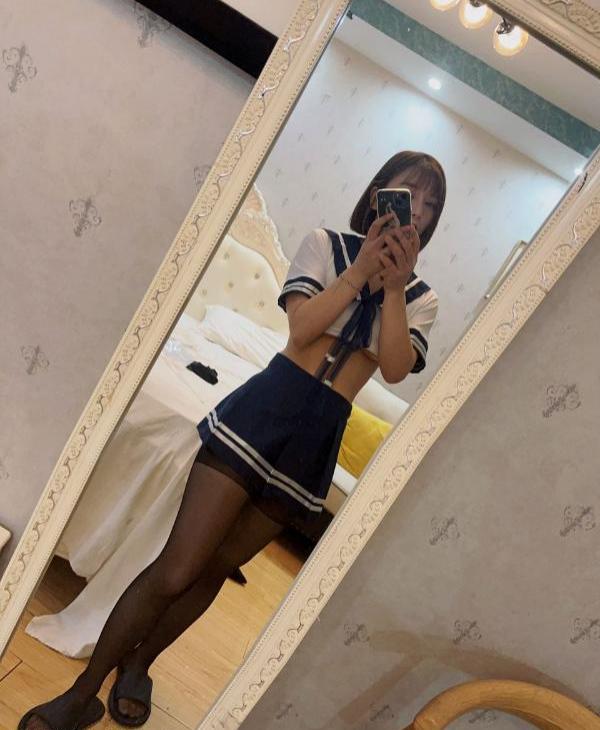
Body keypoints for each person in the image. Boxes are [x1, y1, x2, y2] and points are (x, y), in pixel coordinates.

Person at [19, 150, 446, 730]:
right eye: (408, 194)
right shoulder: (325, 245)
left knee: (217, 569)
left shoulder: (421, 299)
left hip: (316, 440)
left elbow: (394, 369)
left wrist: (393, 288)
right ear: (379, 194)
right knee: (178, 566)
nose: (417, 211)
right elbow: (301, 328)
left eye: (430, 205)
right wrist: (361, 270)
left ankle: (140, 665)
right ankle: (82, 692)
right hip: (266, 407)